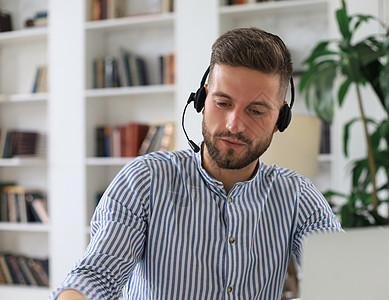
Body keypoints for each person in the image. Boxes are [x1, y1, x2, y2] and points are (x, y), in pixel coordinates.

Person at [50, 27, 342, 300]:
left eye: (255, 110)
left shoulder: (297, 195)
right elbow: (95, 277)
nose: (234, 125)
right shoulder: (145, 180)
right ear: (202, 100)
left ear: (280, 119)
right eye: (223, 103)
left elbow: (341, 279)